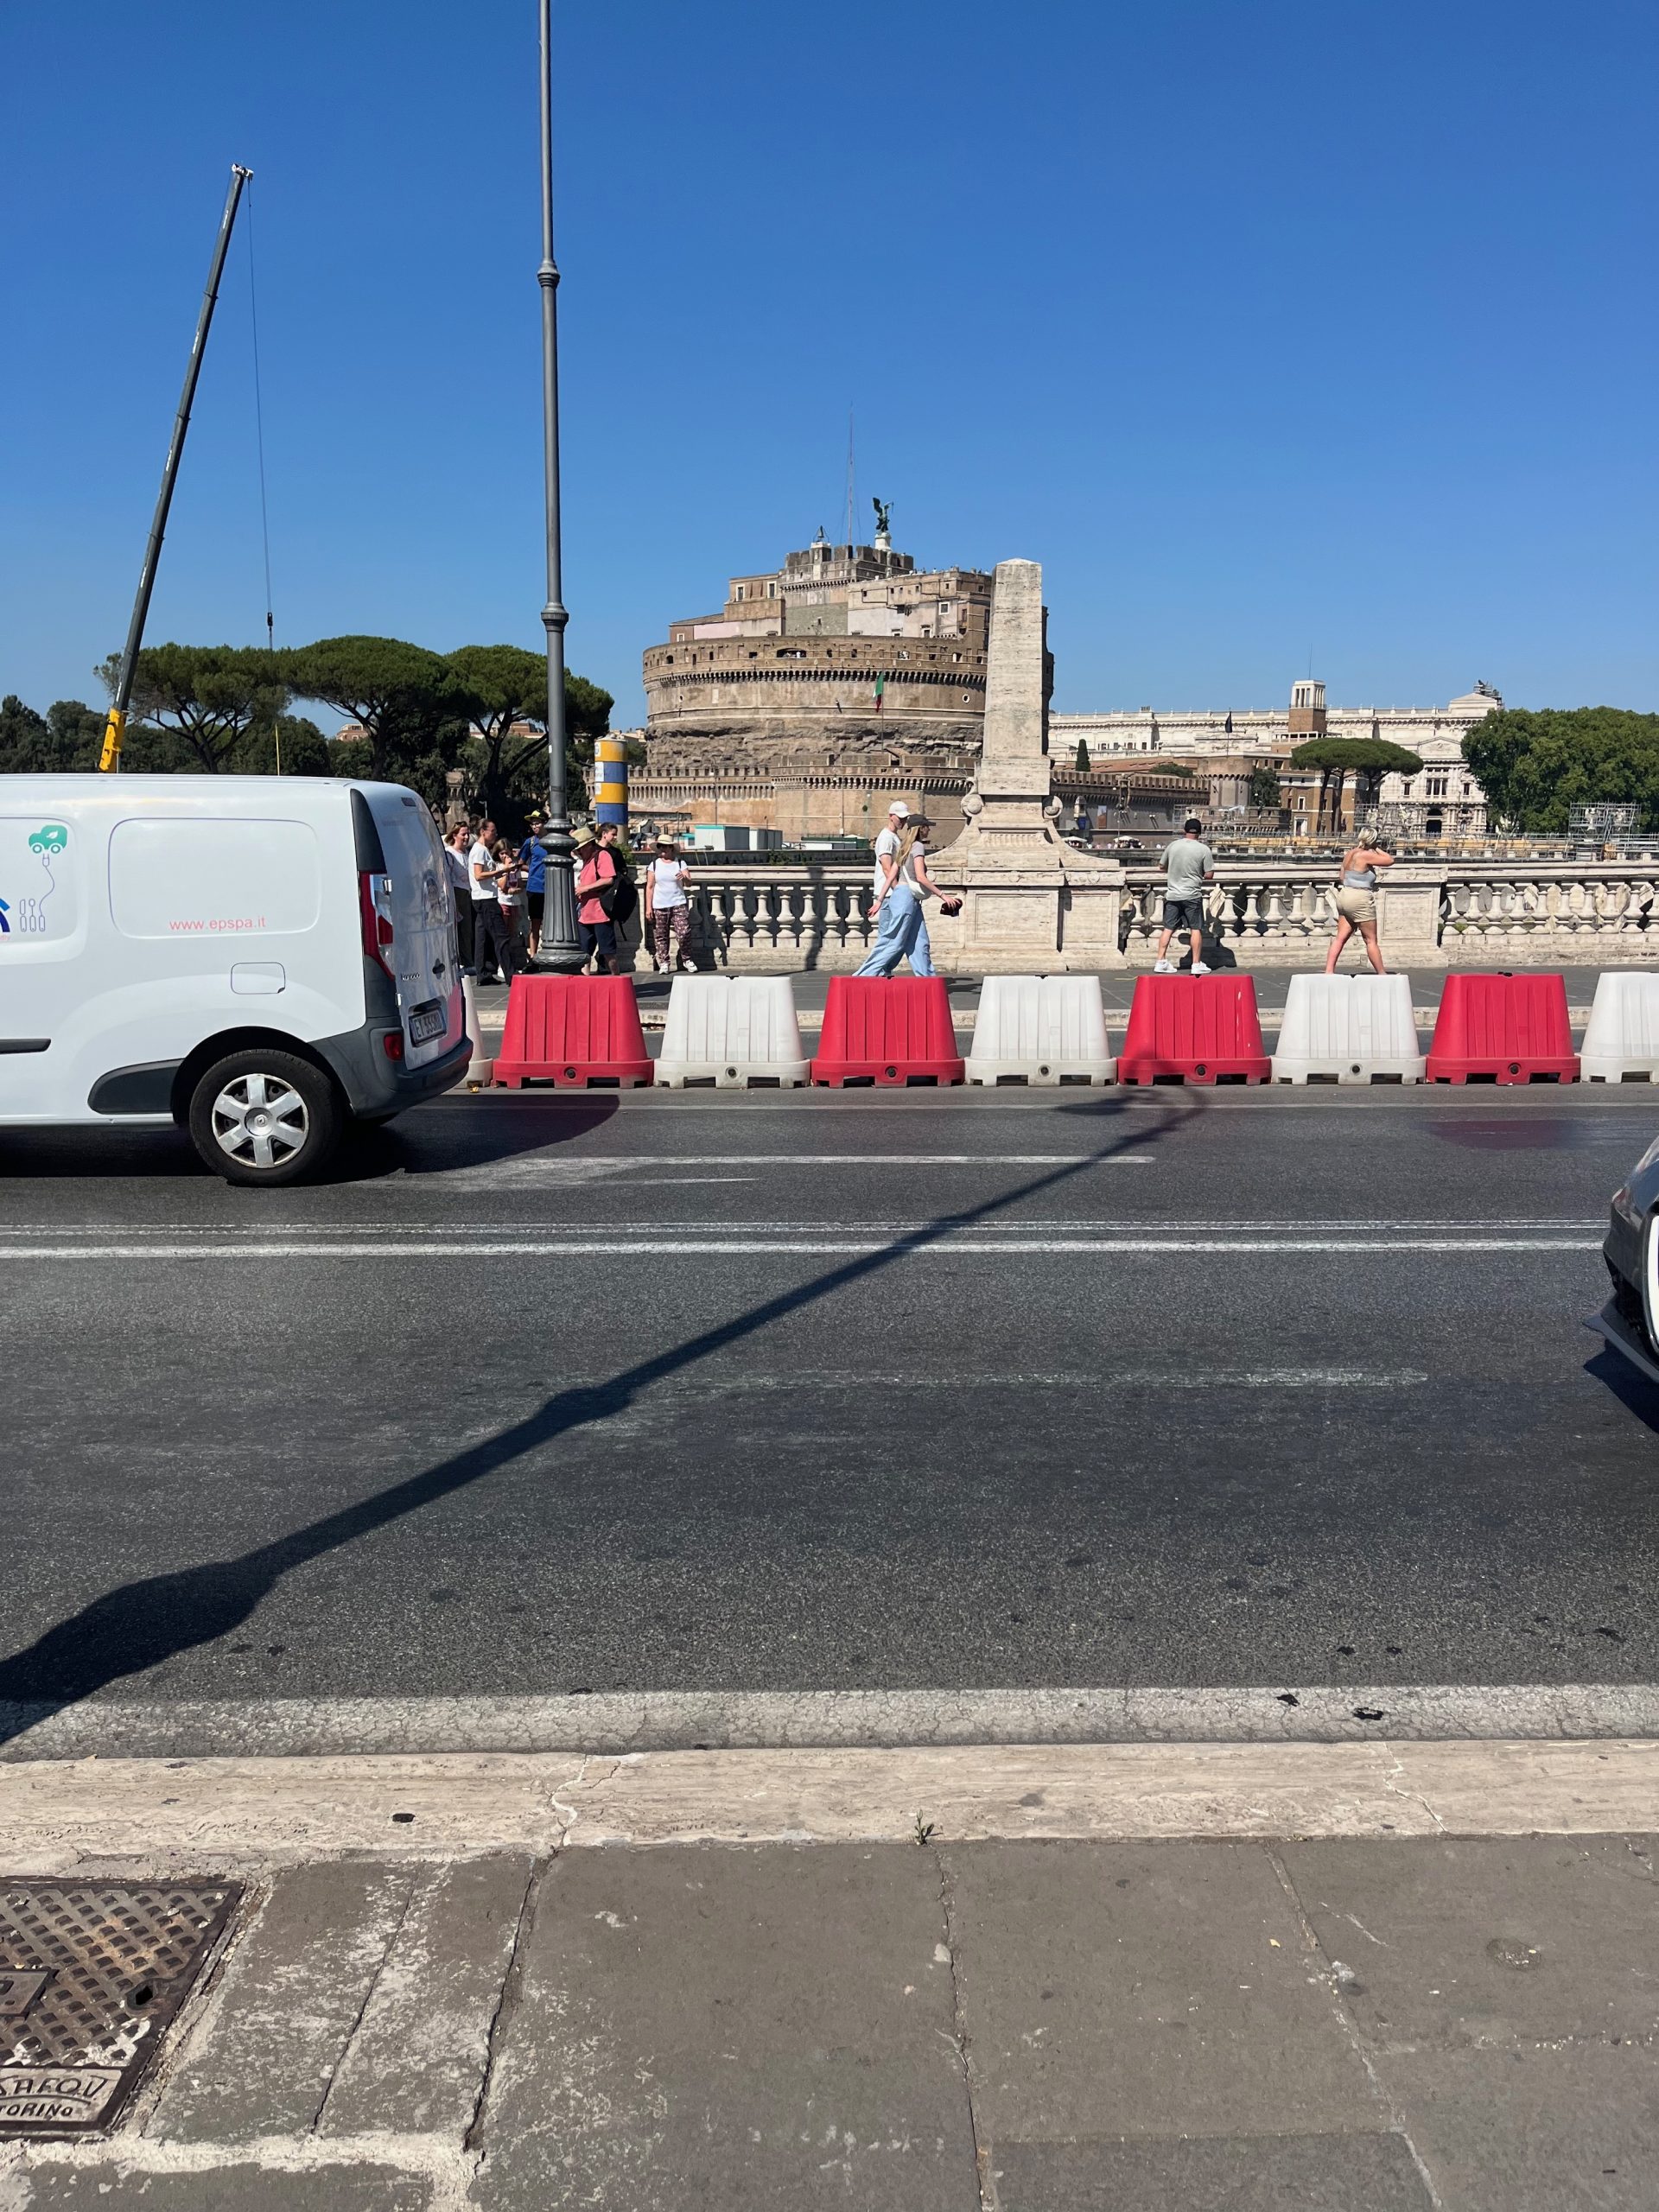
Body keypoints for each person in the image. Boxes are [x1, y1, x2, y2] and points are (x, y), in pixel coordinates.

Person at [855, 805, 948, 977]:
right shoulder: (917, 846)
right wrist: (943, 896)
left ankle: (927, 980)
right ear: (921, 828)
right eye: (927, 827)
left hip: (904, 896)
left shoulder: (904, 846)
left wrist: (879, 900)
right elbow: (920, 877)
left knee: (919, 942)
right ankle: (863, 977)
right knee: (894, 941)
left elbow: (891, 876)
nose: (929, 830)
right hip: (906, 898)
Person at [1153, 817, 1217, 974]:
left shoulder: (1173, 846)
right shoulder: (1204, 849)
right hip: (1192, 895)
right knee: (1196, 928)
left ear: (1184, 831)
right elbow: (1209, 875)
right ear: (1200, 833)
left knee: (1168, 928)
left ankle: (1160, 961)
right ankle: (1196, 964)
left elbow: (1162, 866)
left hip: (1173, 894)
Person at [1325, 836, 1395, 975]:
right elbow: (1390, 860)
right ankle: (1382, 974)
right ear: (1372, 840)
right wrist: (1375, 847)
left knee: (1340, 938)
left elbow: (1342, 877)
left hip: (1345, 894)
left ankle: (1329, 971)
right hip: (1360, 897)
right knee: (1371, 940)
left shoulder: (1350, 854)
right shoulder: (1364, 855)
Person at [468, 817, 515, 986]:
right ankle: (510, 974)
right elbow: (479, 875)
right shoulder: (479, 851)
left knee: (482, 937)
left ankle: (483, 973)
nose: (495, 834)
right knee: (500, 936)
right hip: (486, 899)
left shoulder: (481, 850)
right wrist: (502, 871)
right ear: (483, 832)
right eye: (492, 831)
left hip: (482, 897)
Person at [644, 836, 697, 974]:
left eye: (665, 846)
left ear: (671, 848)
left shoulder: (680, 863)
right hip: (660, 904)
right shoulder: (654, 865)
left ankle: (687, 959)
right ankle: (664, 962)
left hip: (678, 903)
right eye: (660, 846)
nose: (663, 849)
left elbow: (689, 883)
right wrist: (648, 908)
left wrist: (684, 877)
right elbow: (650, 887)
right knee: (660, 935)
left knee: (684, 932)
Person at [574, 820, 619, 974]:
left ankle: (616, 979)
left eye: (580, 849)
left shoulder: (602, 855)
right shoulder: (587, 861)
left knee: (608, 952)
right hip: (585, 913)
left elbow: (608, 879)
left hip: (600, 913)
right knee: (584, 953)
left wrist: (584, 888)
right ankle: (585, 982)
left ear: (589, 845)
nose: (578, 853)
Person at [443, 822, 475, 976]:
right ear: (455, 835)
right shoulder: (449, 854)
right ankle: (462, 962)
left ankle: (468, 960)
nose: (466, 837)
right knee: (460, 930)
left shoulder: (467, 853)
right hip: (457, 893)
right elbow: (448, 878)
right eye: (463, 834)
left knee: (467, 931)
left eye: (468, 834)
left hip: (468, 893)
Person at [518, 810, 551, 960]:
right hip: (535, 887)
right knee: (535, 922)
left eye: (537, 823)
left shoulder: (552, 840)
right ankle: (533, 955)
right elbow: (520, 863)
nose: (534, 826)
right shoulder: (530, 842)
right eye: (532, 824)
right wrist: (532, 869)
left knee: (551, 922)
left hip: (551, 887)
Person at [493, 838, 527, 971]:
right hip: (503, 901)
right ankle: (501, 964)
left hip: (515, 902)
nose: (505, 856)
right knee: (503, 933)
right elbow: (502, 886)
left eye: (507, 853)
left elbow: (520, 884)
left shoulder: (515, 867)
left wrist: (515, 889)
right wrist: (507, 870)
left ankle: (511, 962)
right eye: (502, 853)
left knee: (513, 933)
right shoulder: (498, 867)